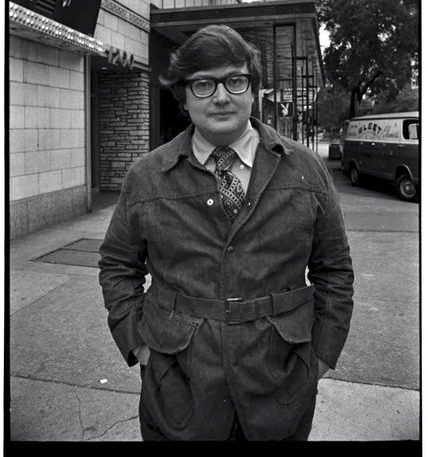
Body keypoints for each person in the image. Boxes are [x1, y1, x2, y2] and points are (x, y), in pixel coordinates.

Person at [98, 24, 354, 441]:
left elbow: (335, 270)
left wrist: (322, 356)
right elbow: (116, 266)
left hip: (281, 389)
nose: (221, 96)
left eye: (235, 80)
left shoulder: (306, 170)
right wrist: (139, 346)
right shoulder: (145, 178)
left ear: (253, 89)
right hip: (179, 390)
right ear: (183, 96)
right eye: (203, 83)